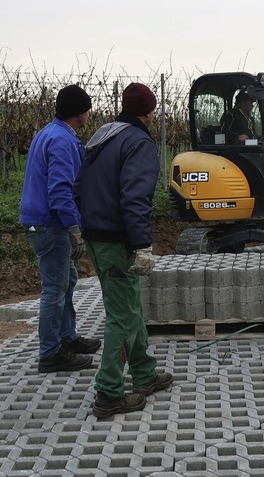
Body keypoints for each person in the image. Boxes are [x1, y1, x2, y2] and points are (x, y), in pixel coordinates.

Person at [74, 82, 173, 419]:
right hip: (117, 238)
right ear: (148, 112)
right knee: (122, 316)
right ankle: (109, 393)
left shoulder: (101, 136)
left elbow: (78, 188)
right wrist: (142, 242)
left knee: (129, 305)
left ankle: (144, 374)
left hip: (95, 235)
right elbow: (135, 198)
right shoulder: (138, 142)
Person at [19, 84, 102, 374]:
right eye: (88, 108)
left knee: (67, 280)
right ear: (80, 111)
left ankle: (67, 337)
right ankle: (50, 354)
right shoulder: (62, 141)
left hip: (40, 220)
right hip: (50, 224)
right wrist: (74, 229)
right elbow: (59, 191)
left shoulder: (48, 133)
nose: (90, 113)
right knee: (54, 289)